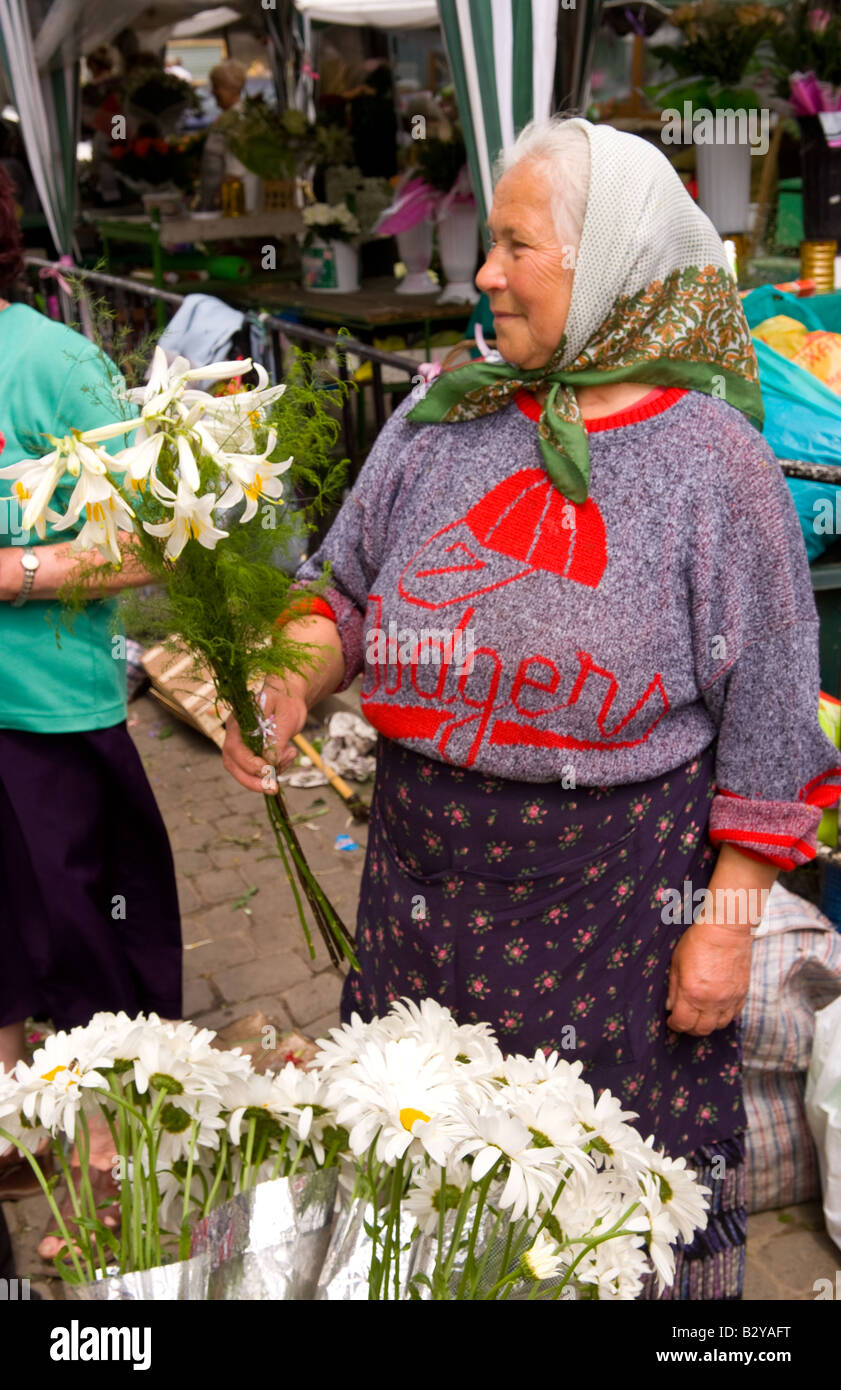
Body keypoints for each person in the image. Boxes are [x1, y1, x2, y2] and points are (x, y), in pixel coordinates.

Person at [221, 117, 841, 1300]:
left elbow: (769, 724)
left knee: (599, 1202)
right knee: (424, 1175)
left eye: (516, 246)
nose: (484, 271)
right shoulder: (439, 416)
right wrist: (291, 672)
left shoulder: (712, 464)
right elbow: (341, 590)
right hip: (417, 889)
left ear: (607, 256)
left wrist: (722, 925)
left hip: (610, 914)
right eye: (488, 245)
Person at [0, 168, 182, 1248]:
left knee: (83, 943)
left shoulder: (54, 364)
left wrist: (9, 573)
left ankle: (112, 1168)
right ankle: (19, 1126)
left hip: (47, 721)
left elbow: (149, 538)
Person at [199, 60, 247, 211]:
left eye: (216, 87)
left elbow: (235, 168)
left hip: (226, 204)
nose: (213, 92)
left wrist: (221, 199)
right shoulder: (228, 118)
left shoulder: (237, 120)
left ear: (232, 89)